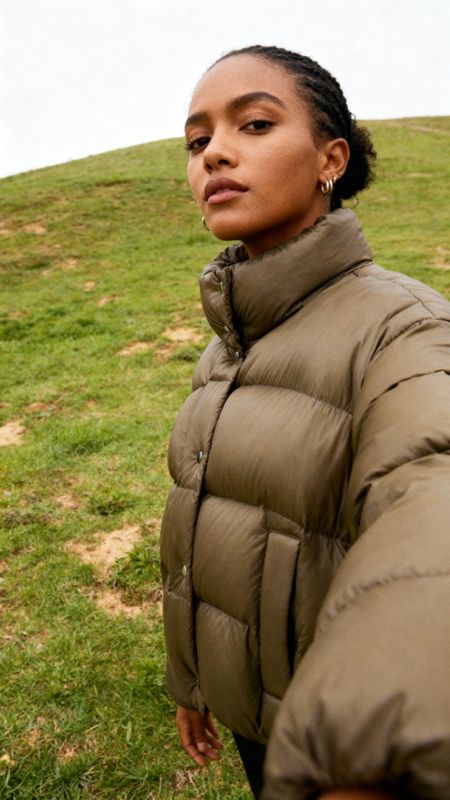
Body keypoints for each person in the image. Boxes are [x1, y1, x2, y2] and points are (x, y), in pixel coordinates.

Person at [160, 45, 450, 799]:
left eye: (253, 123)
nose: (214, 153)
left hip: (333, 736)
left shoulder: (407, 328)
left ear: (331, 158)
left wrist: (371, 746)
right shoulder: (226, 343)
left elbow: (433, 498)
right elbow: (208, 527)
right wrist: (194, 680)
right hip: (260, 722)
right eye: (197, 143)